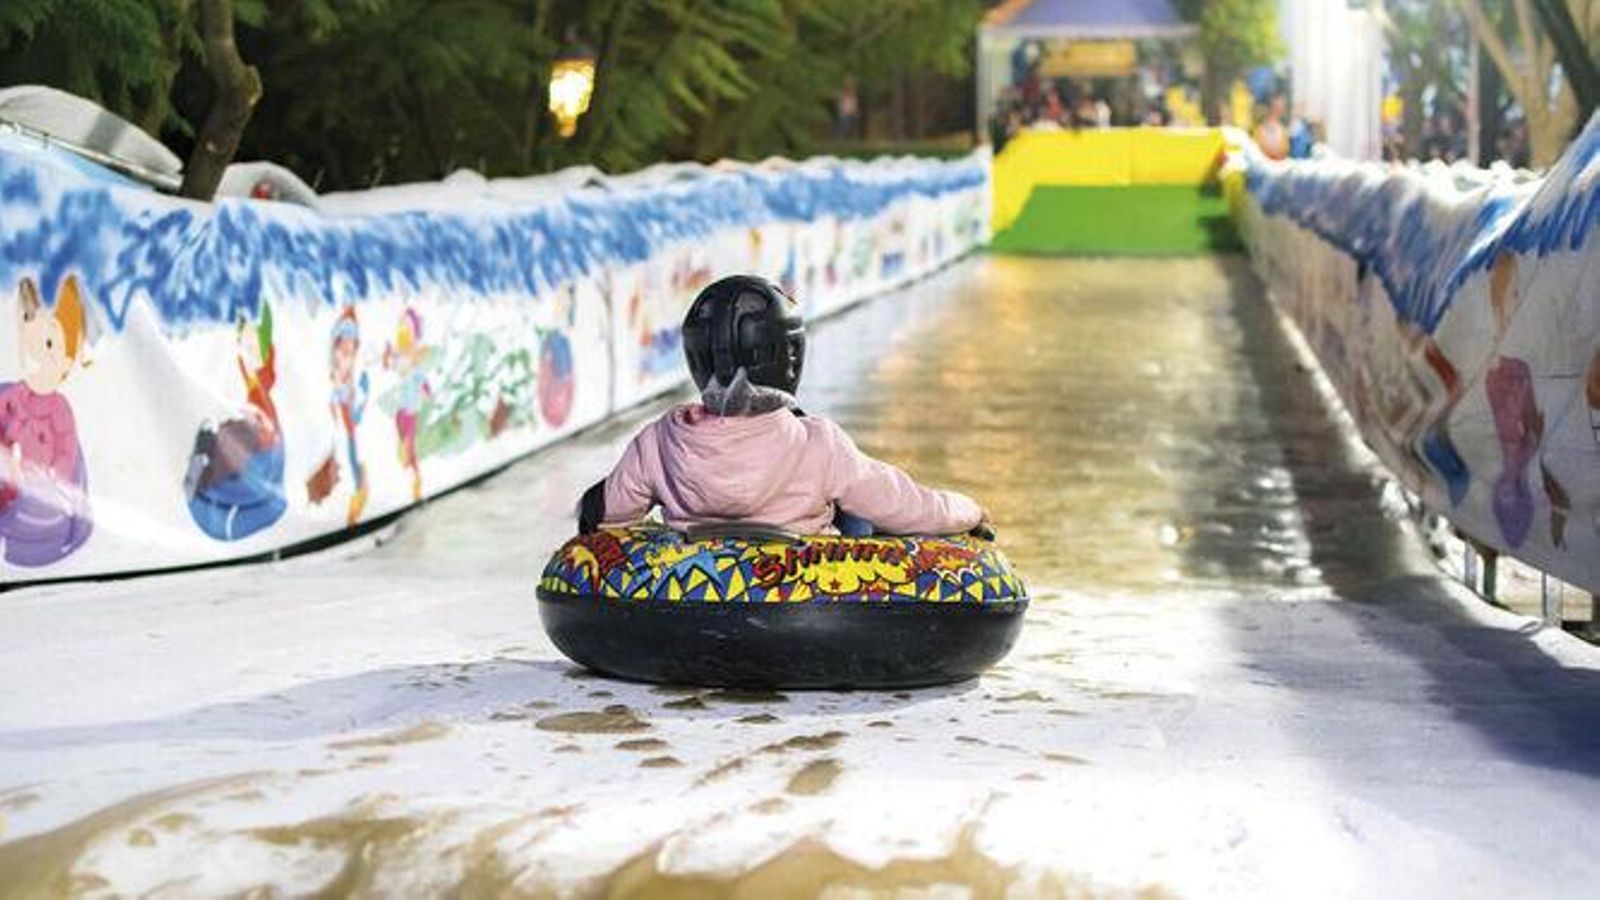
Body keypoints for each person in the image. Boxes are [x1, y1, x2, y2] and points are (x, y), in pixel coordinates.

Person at [577, 276, 986, 537]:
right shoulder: (818, 443)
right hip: (801, 594)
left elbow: (606, 513)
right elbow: (906, 507)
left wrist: (591, 505)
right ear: (787, 355)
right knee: (860, 518)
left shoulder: (660, 440)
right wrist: (969, 510)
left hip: (692, 589)